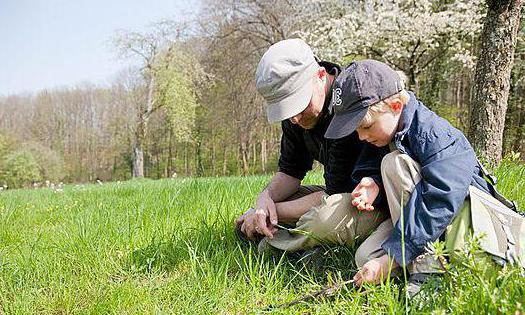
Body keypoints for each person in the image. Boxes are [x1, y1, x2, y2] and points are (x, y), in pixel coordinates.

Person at [323, 59, 497, 293]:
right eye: (356, 131)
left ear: (396, 106)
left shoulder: (434, 134)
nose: (362, 136)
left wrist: (392, 258)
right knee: (365, 258)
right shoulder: (385, 132)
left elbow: (439, 201)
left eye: (366, 127)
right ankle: (409, 260)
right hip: (419, 220)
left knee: (395, 163)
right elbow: (375, 169)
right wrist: (372, 182)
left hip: (457, 222)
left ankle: (428, 271)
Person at [235, 39, 389, 255]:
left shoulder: (348, 102)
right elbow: (290, 170)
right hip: (335, 195)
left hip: (374, 200)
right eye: (286, 111)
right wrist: (264, 199)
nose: (295, 119)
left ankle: (288, 244)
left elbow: (336, 192)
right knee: (260, 214)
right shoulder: (295, 118)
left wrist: (269, 213)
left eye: (299, 105)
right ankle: (299, 243)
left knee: (322, 218)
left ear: (320, 75)